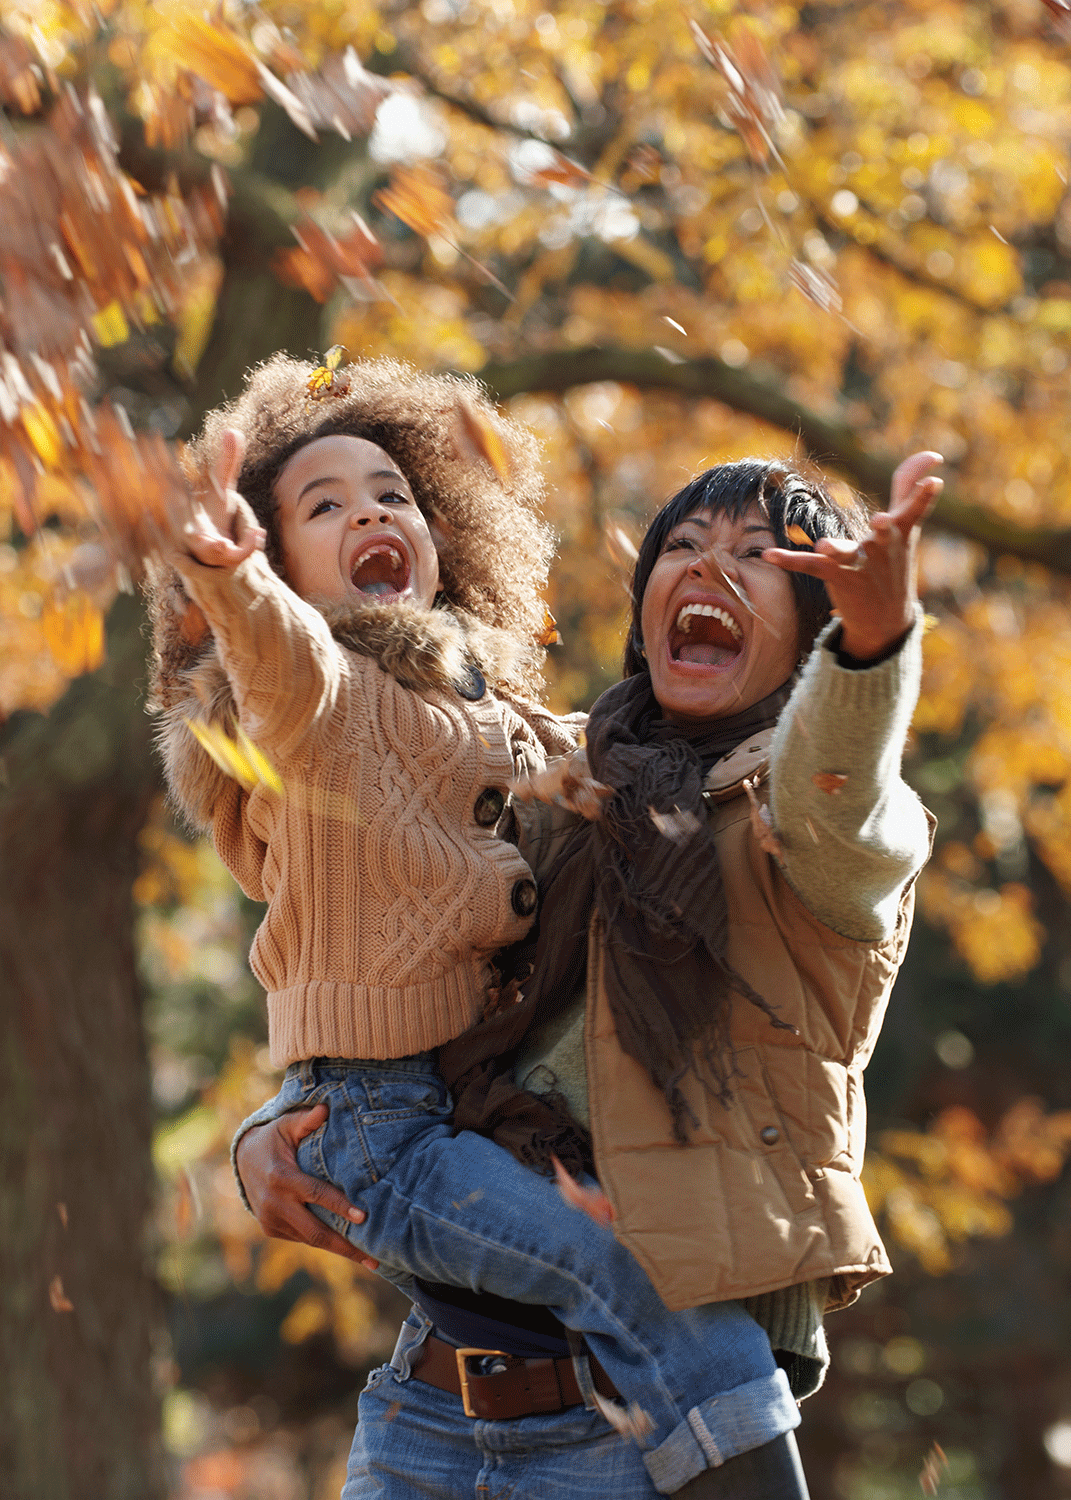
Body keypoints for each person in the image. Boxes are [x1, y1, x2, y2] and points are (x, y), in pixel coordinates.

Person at [146, 354, 854, 1500]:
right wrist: (236, 583)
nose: (371, 511)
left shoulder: (552, 741)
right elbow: (285, 671)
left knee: (643, 1277)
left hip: (596, 1430)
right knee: (616, 1266)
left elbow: (824, 775)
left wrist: (871, 660)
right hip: (417, 1326)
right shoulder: (327, 696)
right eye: (323, 506)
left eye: (393, 494)